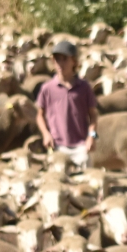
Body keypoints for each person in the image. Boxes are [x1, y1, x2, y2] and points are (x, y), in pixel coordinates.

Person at [35, 39, 99, 167]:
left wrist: (92, 137)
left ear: (74, 61)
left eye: (65, 59)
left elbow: (93, 116)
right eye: (57, 59)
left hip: (81, 147)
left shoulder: (84, 87)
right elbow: (40, 115)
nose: (60, 63)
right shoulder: (47, 88)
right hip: (57, 146)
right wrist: (46, 134)